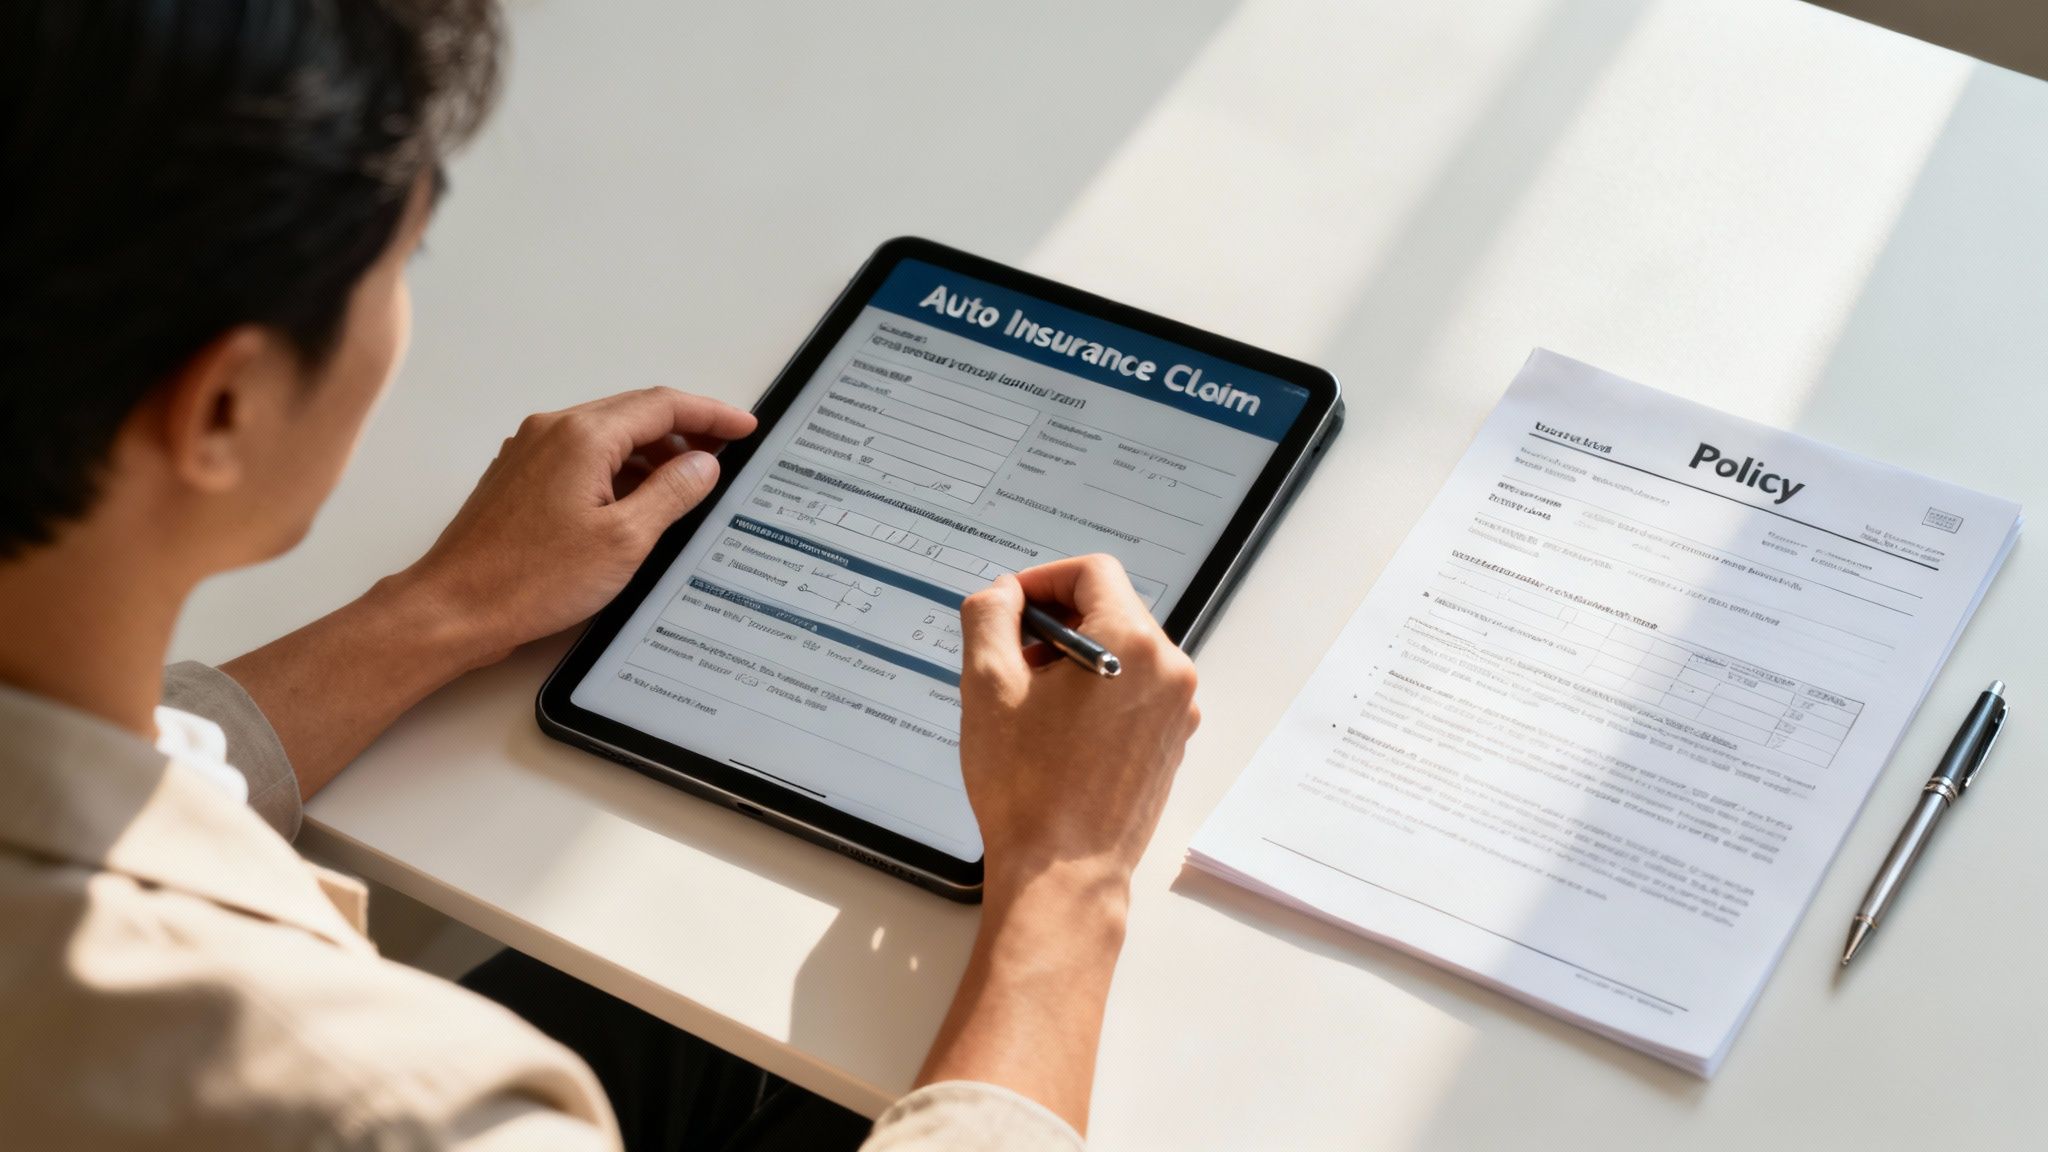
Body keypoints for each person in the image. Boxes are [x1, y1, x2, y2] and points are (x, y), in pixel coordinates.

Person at [0, 2, 1201, 1149]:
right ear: (224, 405)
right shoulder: (379, 1105)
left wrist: (445, 608)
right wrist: (1067, 876)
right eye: (402, 259)